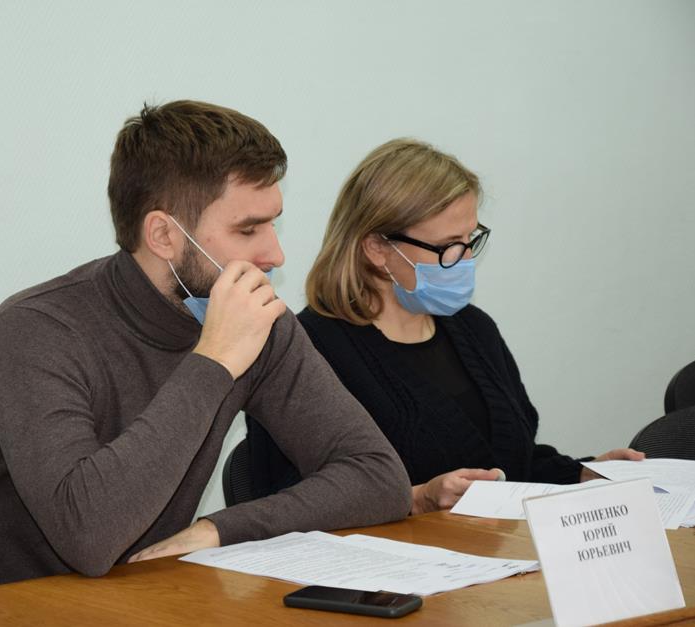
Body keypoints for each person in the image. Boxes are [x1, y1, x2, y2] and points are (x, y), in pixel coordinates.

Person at [0, 101, 412, 592]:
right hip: (4, 608)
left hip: (143, 595)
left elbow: (378, 477)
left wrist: (221, 528)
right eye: (248, 230)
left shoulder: (258, 321)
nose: (275, 254)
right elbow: (89, 539)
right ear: (163, 235)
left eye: (273, 223)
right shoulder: (36, 331)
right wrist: (215, 360)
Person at [246, 138, 642, 515]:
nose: (465, 259)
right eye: (450, 246)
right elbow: (285, 497)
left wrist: (583, 473)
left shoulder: (473, 329)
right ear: (378, 248)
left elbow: (511, 464)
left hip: (489, 552)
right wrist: (415, 499)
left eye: (471, 239)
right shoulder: (307, 349)